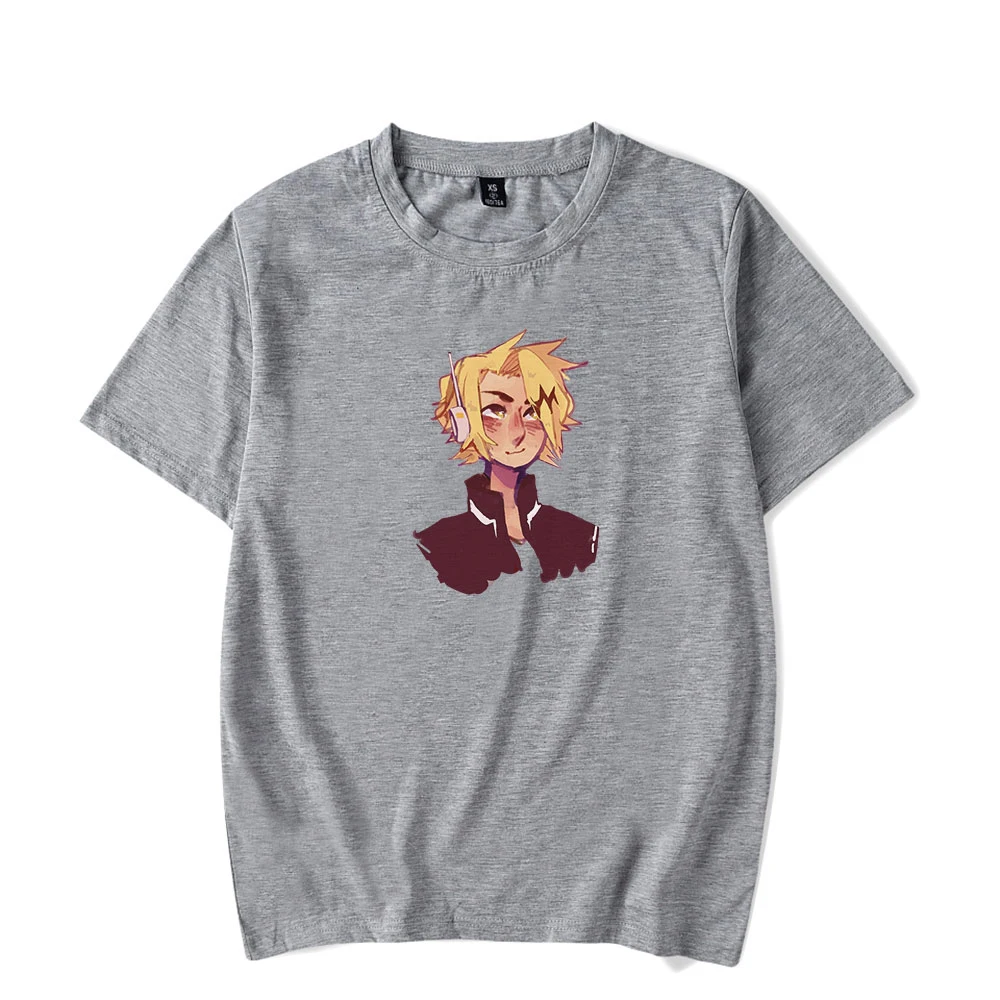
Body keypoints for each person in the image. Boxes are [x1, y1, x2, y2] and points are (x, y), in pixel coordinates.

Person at [414, 330, 599, 595]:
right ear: (461, 423)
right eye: (496, 410)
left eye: (532, 412)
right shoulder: (436, 543)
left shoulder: (582, 536)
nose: (517, 431)